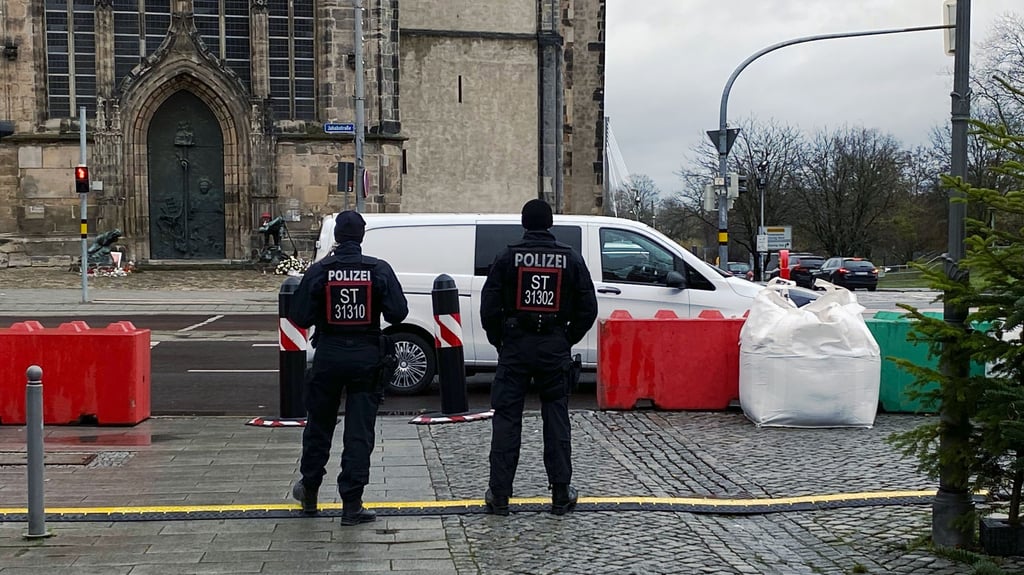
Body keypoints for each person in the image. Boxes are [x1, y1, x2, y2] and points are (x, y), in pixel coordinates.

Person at [287, 210, 408, 525]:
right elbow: (398, 313)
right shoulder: (378, 269)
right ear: (362, 236)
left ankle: (310, 491)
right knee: (359, 432)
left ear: (338, 237)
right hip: (367, 358)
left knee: (319, 427)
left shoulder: (321, 270)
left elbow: (299, 316)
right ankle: (351, 504)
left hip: (328, 355)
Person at [480, 198, 598, 516]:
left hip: (516, 346)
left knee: (506, 420)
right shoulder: (570, 258)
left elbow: (489, 306)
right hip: (553, 347)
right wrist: (565, 337)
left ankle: (500, 495)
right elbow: (589, 308)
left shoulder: (507, 257)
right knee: (556, 419)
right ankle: (561, 495)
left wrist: (500, 341)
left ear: (523, 223)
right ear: (550, 224)